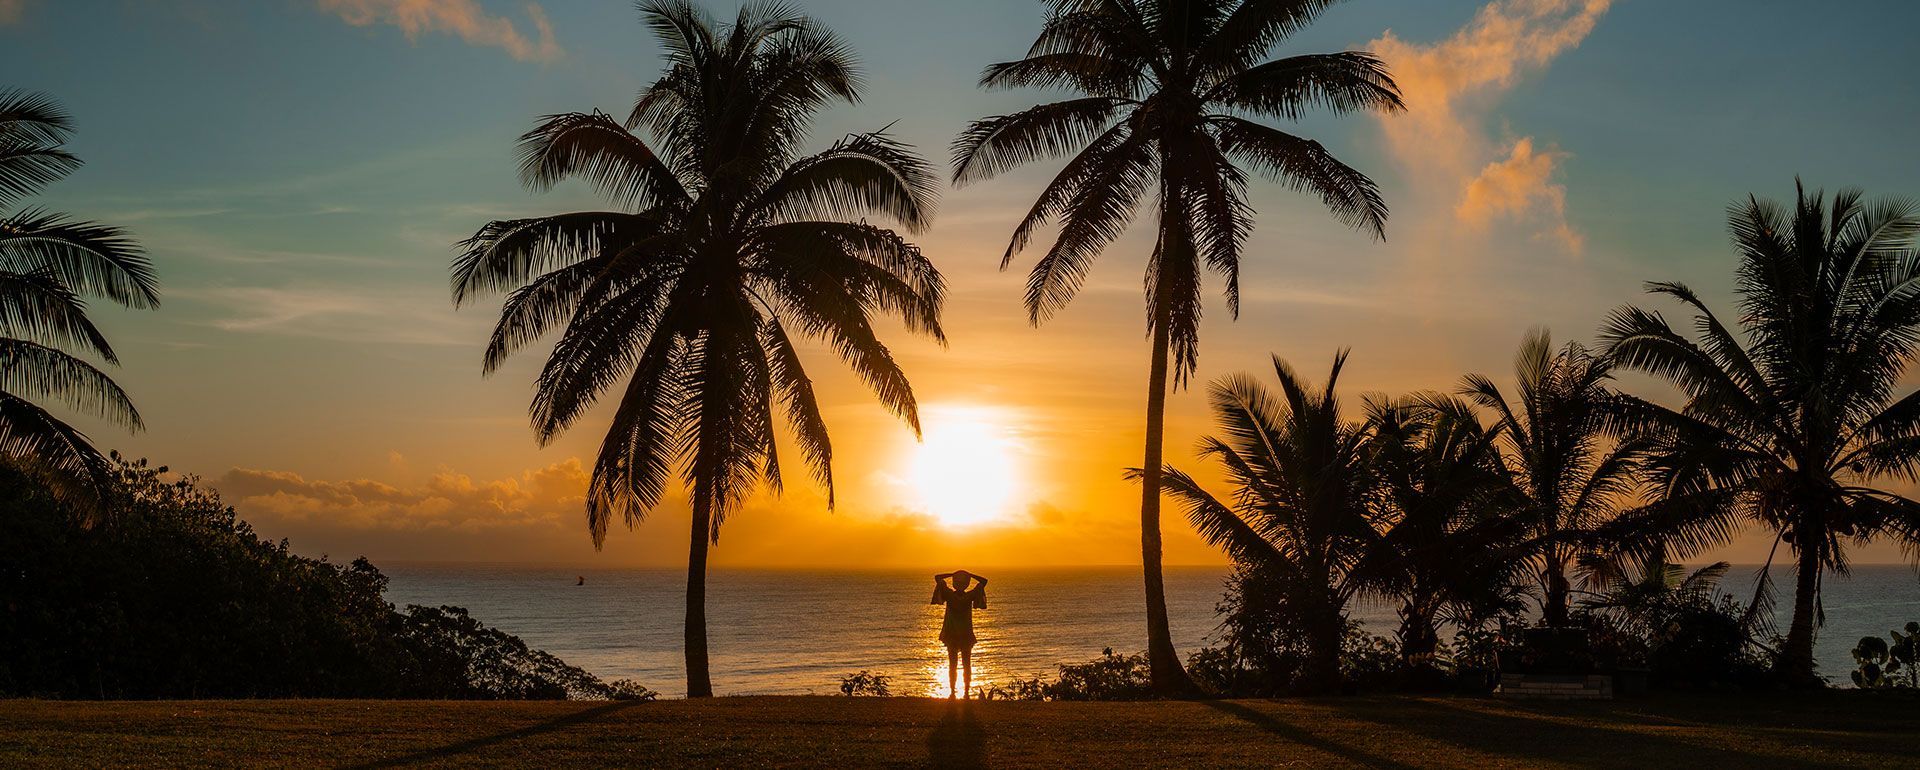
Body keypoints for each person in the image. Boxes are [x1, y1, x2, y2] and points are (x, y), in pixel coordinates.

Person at [931, 570, 988, 698]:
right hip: (966, 634)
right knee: (967, 665)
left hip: (952, 634)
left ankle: (952, 692)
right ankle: (966, 692)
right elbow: (984, 581)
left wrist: (952, 573)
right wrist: (970, 574)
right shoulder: (970, 596)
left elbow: (937, 577)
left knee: (953, 665)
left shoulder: (949, 595)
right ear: (967, 584)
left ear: (954, 583)